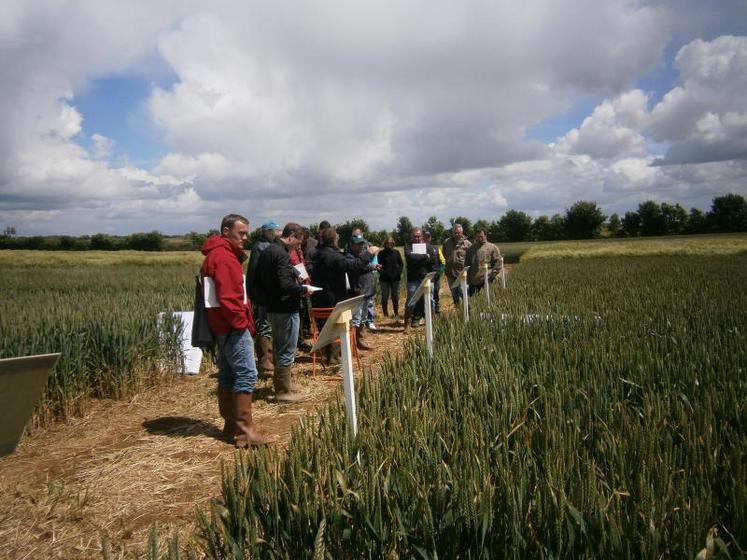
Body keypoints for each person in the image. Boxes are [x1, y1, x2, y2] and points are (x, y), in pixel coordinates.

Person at [200, 214, 275, 446]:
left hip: (222, 326)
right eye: (241, 233)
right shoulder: (224, 257)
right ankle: (245, 432)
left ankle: (230, 425)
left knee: (228, 374)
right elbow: (229, 297)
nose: (245, 238)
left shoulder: (219, 254)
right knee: (246, 373)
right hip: (231, 326)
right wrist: (240, 324)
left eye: (246, 233)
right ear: (225, 231)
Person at [256, 222, 313, 402]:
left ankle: (283, 385)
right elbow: (286, 285)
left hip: (272, 307)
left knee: (281, 347)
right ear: (291, 237)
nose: (298, 246)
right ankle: (283, 391)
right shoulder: (281, 254)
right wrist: (304, 290)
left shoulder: (267, 251)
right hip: (285, 309)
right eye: (298, 242)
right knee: (287, 349)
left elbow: (262, 280)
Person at [310, 227, 379, 361]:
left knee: (326, 326)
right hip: (332, 297)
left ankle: (330, 355)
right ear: (334, 240)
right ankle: (335, 357)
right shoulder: (333, 256)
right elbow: (353, 266)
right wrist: (368, 253)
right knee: (335, 327)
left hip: (321, 297)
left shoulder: (318, 253)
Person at [245, 220, 280, 378]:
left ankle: (271, 359)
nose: (277, 233)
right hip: (263, 294)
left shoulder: (272, 245)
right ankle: (265, 361)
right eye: (274, 231)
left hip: (271, 294)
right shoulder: (259, 247)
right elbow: (253, 274)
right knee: (264, 326)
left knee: (270, 326)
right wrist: (255, 295)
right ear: (267, 232)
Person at [346, 229, 379, 350]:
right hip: (357, 291)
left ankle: (359, 340)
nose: (361, 246)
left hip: (367, 289)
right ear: (351, 244)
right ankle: (352, 345)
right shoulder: (348, 256)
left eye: (362, 243)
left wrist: (372, 266)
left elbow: (364, 265)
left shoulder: (362, 254)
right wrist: (368, 264)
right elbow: (356, 267)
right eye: (358, 243)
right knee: (356, 319)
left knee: (363, 318)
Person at [403, 227, 437, 331]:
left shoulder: (429, 247)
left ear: (422, 236)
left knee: (430, 300)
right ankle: (407, 324)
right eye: (415, 236)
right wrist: (425, 256)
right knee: (411, 301)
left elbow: (433, 260)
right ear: (411, 236)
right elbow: (410, 258)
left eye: (419, 236)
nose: (417, 238)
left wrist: (418, 258)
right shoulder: (408, 246)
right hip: (413, 279)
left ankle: (432, 322)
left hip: (427, 278)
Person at [465, 228, 502, 296]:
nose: (479, 239)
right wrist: (468, 279)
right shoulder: (470, 249)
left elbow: (498, 263)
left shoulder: (492, 247)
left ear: (485, 236)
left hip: (487, 281)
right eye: (477, 237)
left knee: (487, 302)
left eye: (481, 237)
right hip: (473, 283)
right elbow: (466, 265)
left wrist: (492, 276)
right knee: (474, 303)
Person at [442, 223, 472, 304]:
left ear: (462, 232)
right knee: (454, 294)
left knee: (464, 293)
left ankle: (468, 311)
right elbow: (444, 254)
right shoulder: (447, 242)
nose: (457, 234)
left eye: (458, 233)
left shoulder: (467, 243)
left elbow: (471, 257)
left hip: (463, 274)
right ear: (452, 232)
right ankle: (458, 311)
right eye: (455, 232)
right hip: (450, 273)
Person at [378, 235, 403, 319]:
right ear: (385, 244)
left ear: (393, 243)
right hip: (384, 279)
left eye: (391, 243)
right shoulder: (381, 253)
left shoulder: (396, 252)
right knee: (385, 296)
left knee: (395, 296)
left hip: (395, 279)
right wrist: (385, 273)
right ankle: (385, 315)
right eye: (388, 243)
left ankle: (396, 313)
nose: (390, 244)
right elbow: (378, 267)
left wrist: (398, 273)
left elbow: (401, 264)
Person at [423, 230, 445, 313]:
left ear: (430, 238)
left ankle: (436, 306)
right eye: (424, 237)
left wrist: (440, 271)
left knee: (435, 291)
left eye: (428, 237)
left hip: (435, 275)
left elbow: (443, 261)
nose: (426, 239)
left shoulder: (436, 248)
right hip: (424, 275)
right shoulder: (419, 248)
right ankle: (427, 310)